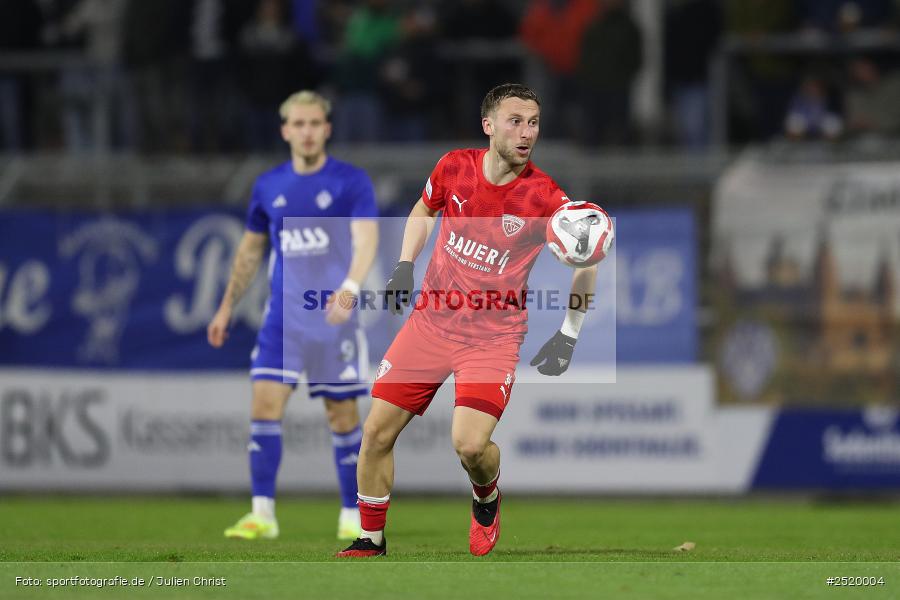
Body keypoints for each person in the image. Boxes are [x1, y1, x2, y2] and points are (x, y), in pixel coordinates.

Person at [337, 83, 600, 557]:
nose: (526, 133)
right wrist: (403, 264)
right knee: (375, 432)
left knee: (471, 447)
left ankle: (486, 495)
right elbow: (424, 208)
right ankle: (370, 539)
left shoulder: (544, 197)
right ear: (489, 125)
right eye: (515, 121)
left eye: (534, 122)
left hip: (492, 338)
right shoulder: (453, 167)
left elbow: (587, 259)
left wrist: (569, 334)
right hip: (430, 325)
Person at [208, 90, 379, 541]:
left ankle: (352, 513)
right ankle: (262, 514)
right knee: (264, 406)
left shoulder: (350, 182)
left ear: (327, 128)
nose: (306, 132)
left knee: (342, 415)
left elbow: (367, 241)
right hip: (282, 320)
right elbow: (249, 252)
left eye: (314, 123)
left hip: (332, 319)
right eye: (298, 124)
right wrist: (226, 306)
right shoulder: (268, 186)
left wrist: (349, 290)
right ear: (285, 130)